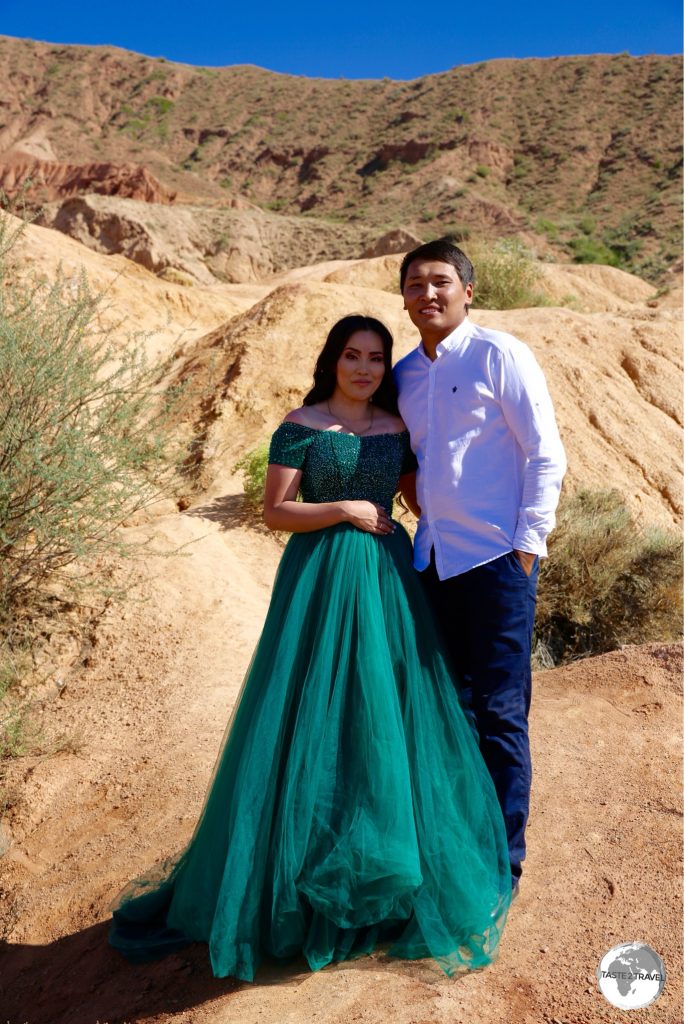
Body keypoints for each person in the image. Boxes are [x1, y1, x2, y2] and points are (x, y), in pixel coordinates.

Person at [109, 314, 512, 982]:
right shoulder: (302, 423)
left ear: (386, 367)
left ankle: (386, 878)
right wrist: (344, 509)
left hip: (389, 581)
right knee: (316, 719)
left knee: (384, 718)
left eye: (376, 358)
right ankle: (297, 886)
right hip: (322, 580)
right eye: (352, 356)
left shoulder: (397, 428)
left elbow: (422, 496)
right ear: (333, 360)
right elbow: (274, 510)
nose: (363, 368)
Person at [394, 240, 567, 897]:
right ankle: (457, 841)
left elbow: (546, 453)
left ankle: (504, 858)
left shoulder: (501, 354)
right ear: (404, 298)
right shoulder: (407, 374)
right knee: (448, 708)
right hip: (433, 560)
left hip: (497, 562)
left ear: (469, 290)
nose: (427, 294)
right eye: (415, 284)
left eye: (440, 282)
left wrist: (527, 548)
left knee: (498, 711)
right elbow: (411, 459)